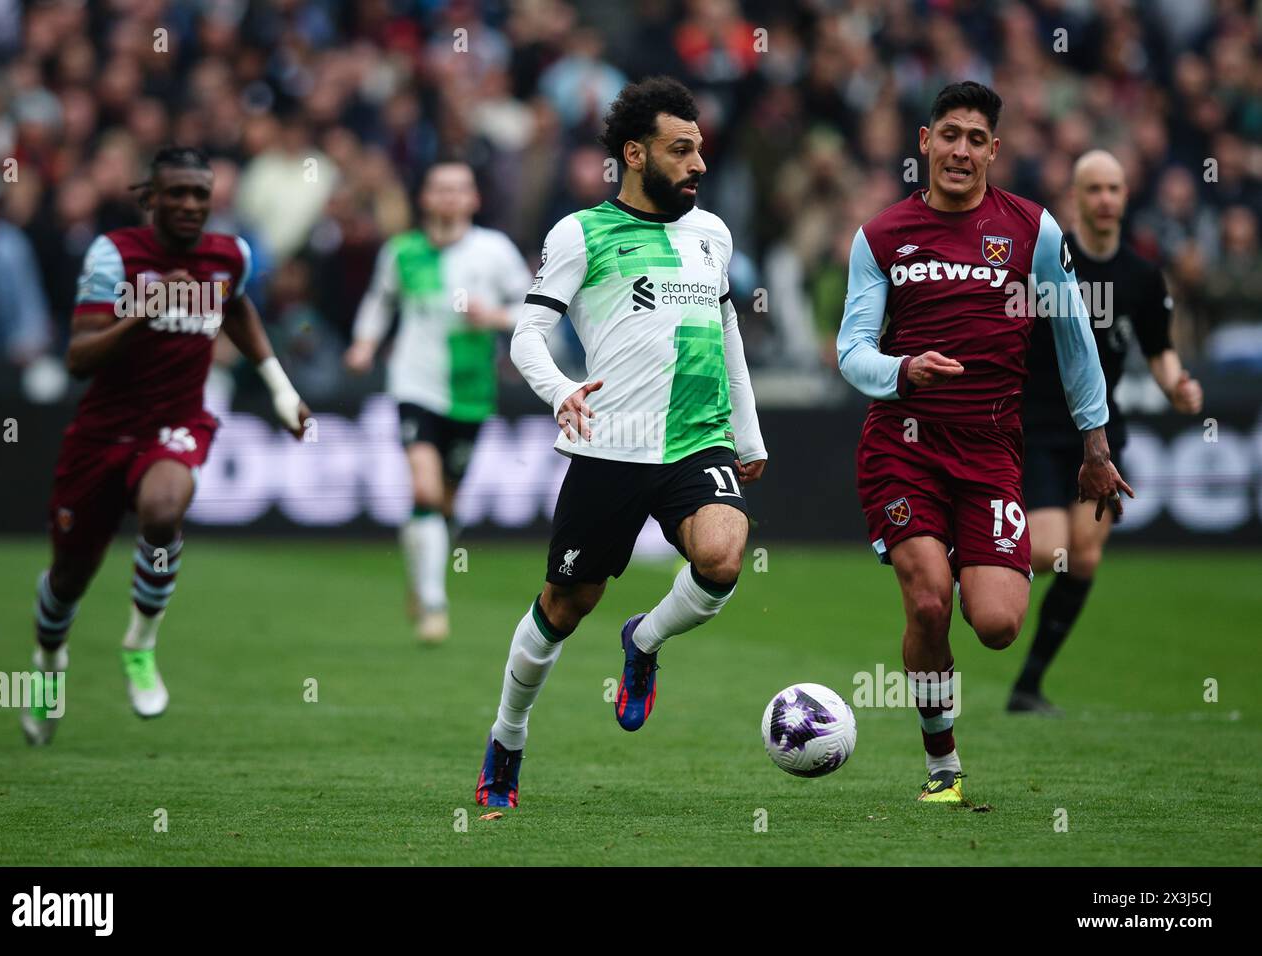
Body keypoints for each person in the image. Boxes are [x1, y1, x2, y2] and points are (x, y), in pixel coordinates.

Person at [474, 76, 767, 808]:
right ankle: (507, 738)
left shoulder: (713, 235)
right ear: (634, 155)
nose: (699, 163)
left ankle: (644, 641)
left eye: (700, 148)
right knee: (564, 606)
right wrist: (561, 391)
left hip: (696, 442)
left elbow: (728, 333)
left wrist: (748, 432)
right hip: (612, 446)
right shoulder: (581, 233)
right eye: (680, 149)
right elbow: (527, 336)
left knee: (724, 556)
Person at [836, 82, 1132, 803]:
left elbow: (1074, 341)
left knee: (996, 623)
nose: (961, 150)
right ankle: (943, 769)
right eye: (950, 135)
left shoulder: (1034, 231)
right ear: (924, 142)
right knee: (930, 603)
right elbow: (851, 351)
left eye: (976, 139)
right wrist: (904, 370)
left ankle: (969, 568)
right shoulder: (880, 237)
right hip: (902, 444)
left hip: (992, 452)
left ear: (994, 150)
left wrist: (1095, 446)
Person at [22, 146, 311, 745]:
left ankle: (140, 644)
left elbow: (239, 311)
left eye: (199, 195)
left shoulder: (229, 255)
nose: (188, 205)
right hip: (103, 432)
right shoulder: (116, 255)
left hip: (177, 423)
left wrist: (281, 389)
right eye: (175, 193)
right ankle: (49, 668)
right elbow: (78, 358)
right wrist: (142, 313)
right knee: (69, 578)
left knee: (162, 510)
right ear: (149, 198)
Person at [1010, 150, 1204, 714]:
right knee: (1049, 552)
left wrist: (1177, 386)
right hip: (1038, 425)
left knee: (1086, 560)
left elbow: (1159, 349)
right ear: (1075, 195)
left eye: (1114, 189)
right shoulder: (1048, 259)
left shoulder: (1142, 276)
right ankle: (977, 561)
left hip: (1098, 435)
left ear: (1125, 196)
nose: (1104, 199)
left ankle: (1028, 687)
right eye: (1093, 189)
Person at [345, 161, 532, 642]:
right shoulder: (403, 251)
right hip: (414, 383)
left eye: (459, 189)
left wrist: (493, 316)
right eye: (440, 189)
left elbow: (534, 309)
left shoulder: (494, 251)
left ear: (473, 199)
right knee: (425, 490)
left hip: (471, 391)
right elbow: (380, 300)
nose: (449, 197)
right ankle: (433, 604)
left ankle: (422, 575)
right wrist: (365, 344)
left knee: (447, 502)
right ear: (425, 198)